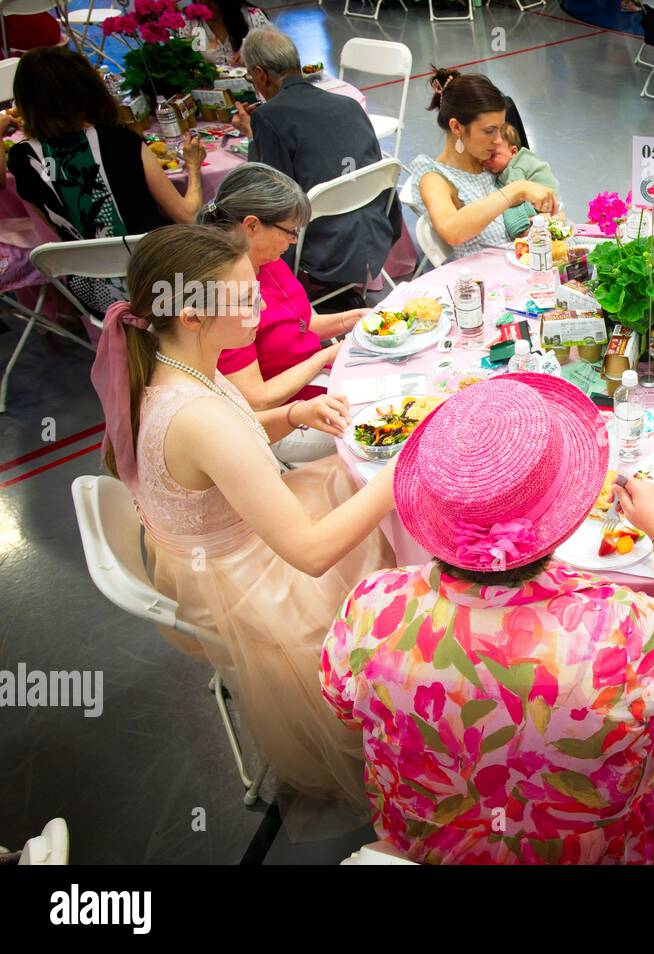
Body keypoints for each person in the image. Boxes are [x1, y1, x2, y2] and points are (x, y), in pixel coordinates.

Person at [321, 374, 654, 864]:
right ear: (566, 512)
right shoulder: (616, 627)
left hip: (431, 836)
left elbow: (345, 709)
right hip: (592, 845)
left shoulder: (371, 606)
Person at [90, 224, 396, 821]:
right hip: (243, 578)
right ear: (195, 315)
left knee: (350, 481)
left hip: (222, 536)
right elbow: (310, 554)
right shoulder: (198, 413)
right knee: (386, 527)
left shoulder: (179, 361)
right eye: (244, 294)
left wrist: (295, 411)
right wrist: (405, 465)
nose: (260, 301)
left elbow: (236, 442)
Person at [2, 47, 205, 315]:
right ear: (87, 89)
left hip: (94, 295)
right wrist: (193, 167)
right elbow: (188, 215)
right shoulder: (119, 140)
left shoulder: (21, 158)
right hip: (165, 281)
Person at [199, 163, 370, 464]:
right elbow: (258, 399)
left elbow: (298, 325)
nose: (294, 240)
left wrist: (349, 319)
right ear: (251, 225)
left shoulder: (264, 258)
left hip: (312, 383)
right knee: (382, 425)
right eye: (290, 231)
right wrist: (327, 356)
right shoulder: (223, 292)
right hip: (278, 419)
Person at [232, 28, 401, 306]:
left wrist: (254, 135)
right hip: (376, 231)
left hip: (324, 248)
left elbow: (268, 192)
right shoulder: (347, 104)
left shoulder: (268, 117)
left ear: (260, 74)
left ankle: (284, 299)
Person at [410, 69, 556, 260]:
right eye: (489, 131)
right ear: (456, 127)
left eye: (500, 129)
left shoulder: (490, 160)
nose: (498, 140)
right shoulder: (434, 178)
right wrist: (516, 190)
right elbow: (452, 230)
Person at [483, 122, 561, 239]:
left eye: (493, 156)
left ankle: (525, 231)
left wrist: (494, 197)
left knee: (510, 207)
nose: (487, 161)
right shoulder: (512, 164)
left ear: (513, 152)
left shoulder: (516, 167)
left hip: (545, 203)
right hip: (548, 200)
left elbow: (515, 194)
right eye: (485, 156)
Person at [185, 0, 271, 65]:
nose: (203, 2)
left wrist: (253, 58)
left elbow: (276, 57)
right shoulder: (189, 23)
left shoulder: (253, 17)